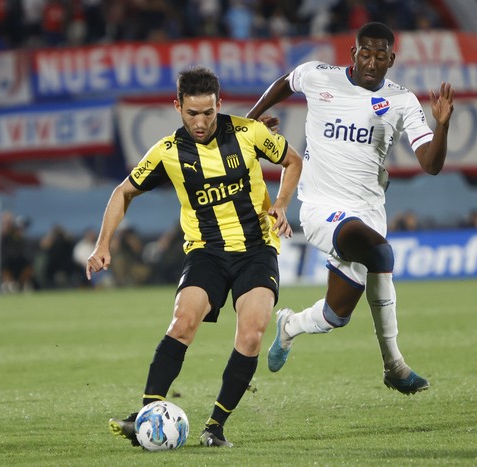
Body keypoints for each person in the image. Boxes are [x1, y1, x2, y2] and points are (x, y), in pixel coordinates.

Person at [86, 66, 302, 448]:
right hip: (206, 252)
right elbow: (123, 192)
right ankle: (148, 415)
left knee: (251, 333)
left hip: (257, 249)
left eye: (208, 112)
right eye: (191, 113)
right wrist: (103, 244)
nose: (200, 122)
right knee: (184, 321)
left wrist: (281, 203)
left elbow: (293, 161)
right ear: (177, 107)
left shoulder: (249, 133)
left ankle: (215, 426)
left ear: (219, 104)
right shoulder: (169, 152)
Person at [246, 21, 454, 395]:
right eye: (365, 53)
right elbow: (285, 82)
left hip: (369, 212)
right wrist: (249, 121)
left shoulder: (402, 100)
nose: (371, 62)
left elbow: (431, 164)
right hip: (321, 208)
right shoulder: (318, 75)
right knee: (380, 253)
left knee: (334, 315)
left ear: (392, 59)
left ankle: (289, 326)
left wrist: (442, 127)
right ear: (353, 53)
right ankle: (394, 365)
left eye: (380, 56)